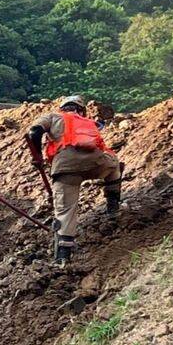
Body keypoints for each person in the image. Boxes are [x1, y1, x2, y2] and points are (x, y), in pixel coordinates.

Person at [26, 96, 121, 266]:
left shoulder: (52, 117)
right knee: (114, 165)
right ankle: (113, 206)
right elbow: (101, 145)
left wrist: (38, 157)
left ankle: (63, 257)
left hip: (65, 168)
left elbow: (34, 132)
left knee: (65, 212)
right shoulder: (87, 122)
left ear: (62, 108)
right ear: (81, 110)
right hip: (95, 163)